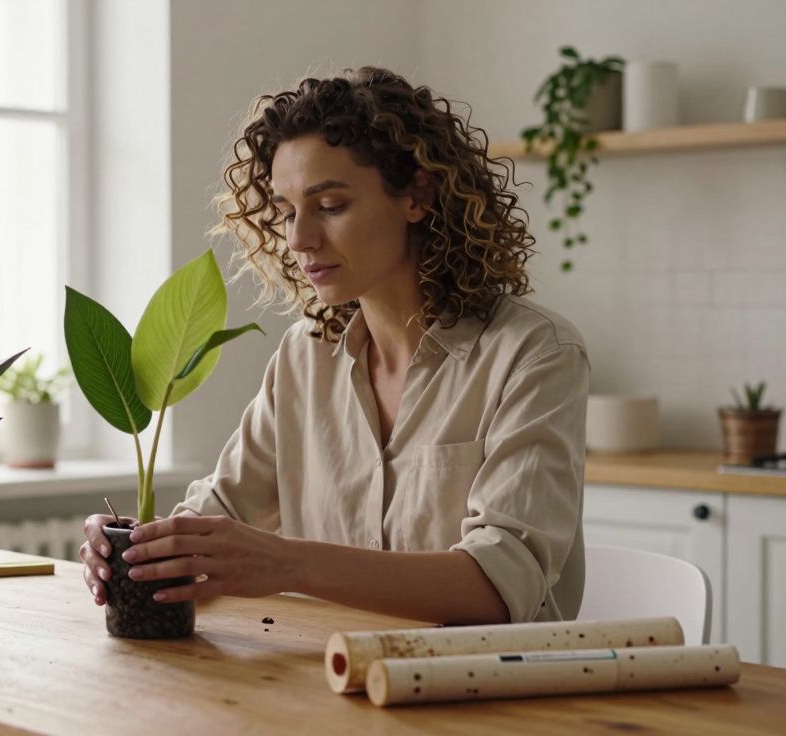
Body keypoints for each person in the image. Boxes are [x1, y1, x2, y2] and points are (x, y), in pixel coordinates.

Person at [79, 67, 589, 625]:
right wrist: (138, 550)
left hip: (489, 694)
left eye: (330, 206)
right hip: (334, 682)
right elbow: (221, 512)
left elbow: (497, 586)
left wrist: (289, 563)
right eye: (287, 210)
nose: (299, 239)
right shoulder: (306, 355)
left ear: (417, 195)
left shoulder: (535, 354)